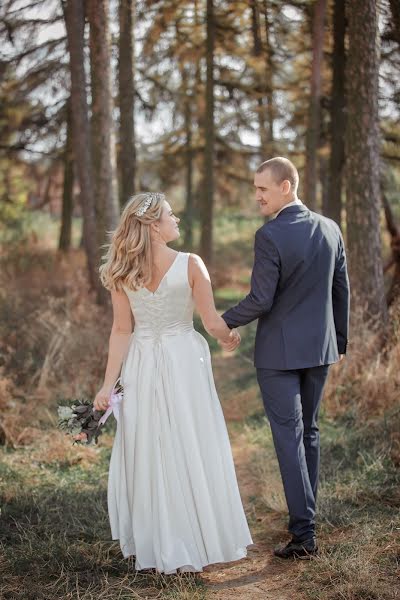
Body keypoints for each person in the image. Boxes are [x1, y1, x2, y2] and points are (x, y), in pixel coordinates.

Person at [94, 191, 253, 574]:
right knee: (189, 440)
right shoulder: (190, 263)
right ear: (152, 226)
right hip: (183, 360)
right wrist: (230, 336)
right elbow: (212, 321)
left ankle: (159, 541)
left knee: (149, 445)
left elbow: (121, 330)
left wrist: (107, 384)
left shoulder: (122, 271)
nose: (176, 220)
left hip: (142, 362)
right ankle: (192, 536)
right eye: (170, 215)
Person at [222, 157, 350, 559]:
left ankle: (304, 534)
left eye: (262, 188)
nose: (256, 195)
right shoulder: (330, 228)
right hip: (320, 350)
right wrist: (339, 343)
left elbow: (261, 299)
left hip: (278, 355)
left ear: (286, 187)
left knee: (291, 438)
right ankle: (305, 525)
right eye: (255, 188)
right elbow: (341, 291)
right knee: (307, 433)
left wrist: (221, 322)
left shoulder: (270, 234)